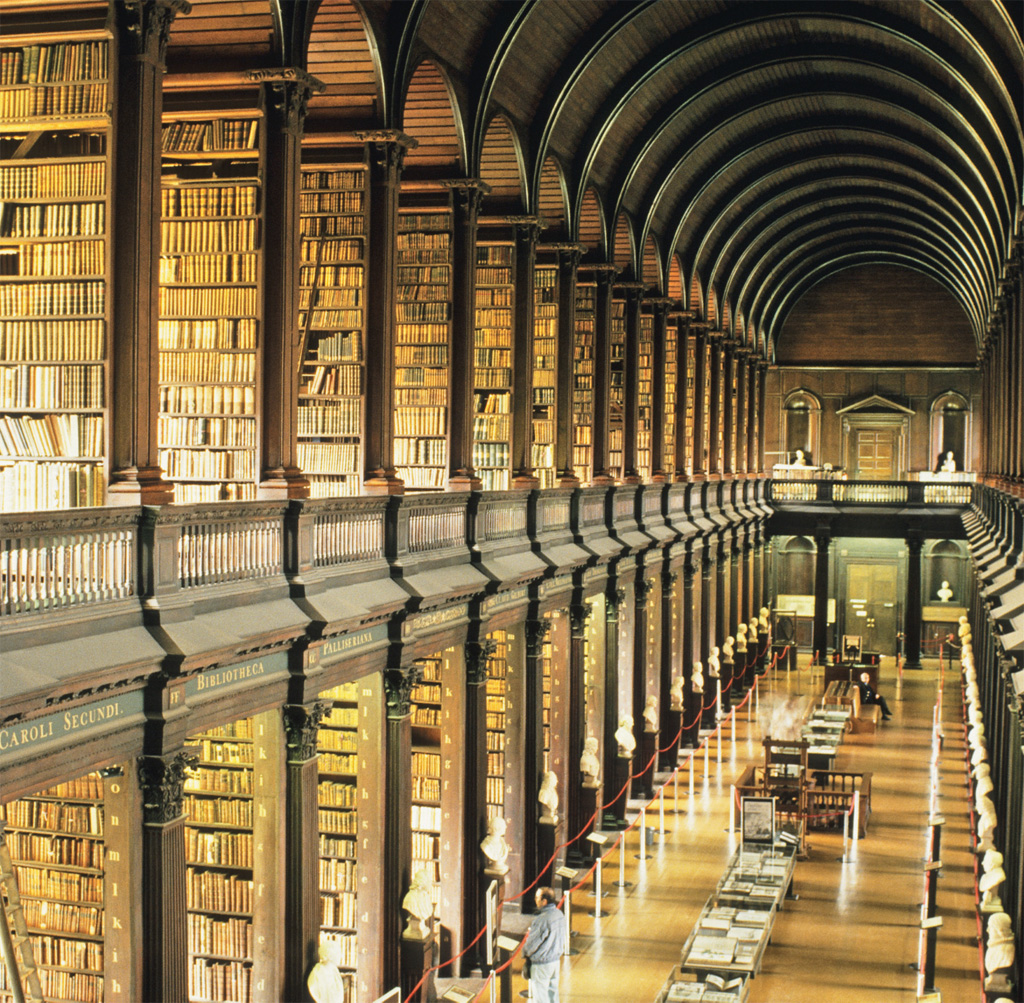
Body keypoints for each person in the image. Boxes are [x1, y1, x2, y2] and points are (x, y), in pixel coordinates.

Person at [523, 886, 567, 1003]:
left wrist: (525, 953)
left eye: (537, 897)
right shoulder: (559, 914)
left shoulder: (542, 920)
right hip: (555, 961)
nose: (535, 899)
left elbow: (532, 944)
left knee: (540, 998)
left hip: (541, 964)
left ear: (544, 901)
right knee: (553, 995)